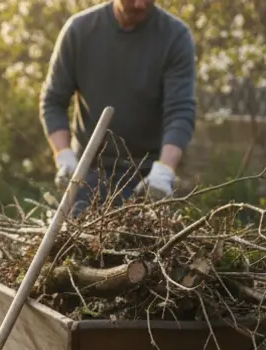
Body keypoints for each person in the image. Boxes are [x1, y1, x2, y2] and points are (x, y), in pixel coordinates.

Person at [39, 0, 197, 215]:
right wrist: (64, 157)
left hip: (148, 176)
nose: (140, 5)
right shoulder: (80, 31)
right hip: (89, 173)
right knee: (78, 243)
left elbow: (180, 111)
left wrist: (165, 170)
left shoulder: (174, 37)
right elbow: (53, 101)